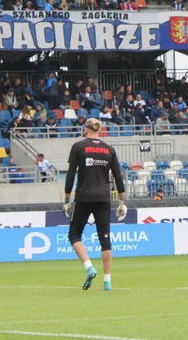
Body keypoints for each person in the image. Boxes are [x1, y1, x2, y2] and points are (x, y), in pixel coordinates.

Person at [63, 118, 126, 292]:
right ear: (100, 130)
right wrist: (122, 201)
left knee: (74, 234)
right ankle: (107, 282)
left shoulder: (78, 147)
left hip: (83, 196)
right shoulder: (109, 149)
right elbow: (118, 177)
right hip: (103, 198)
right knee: (105, 240)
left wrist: (67, 199)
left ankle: (89, 267)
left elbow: (70, 175)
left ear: (86, 130)